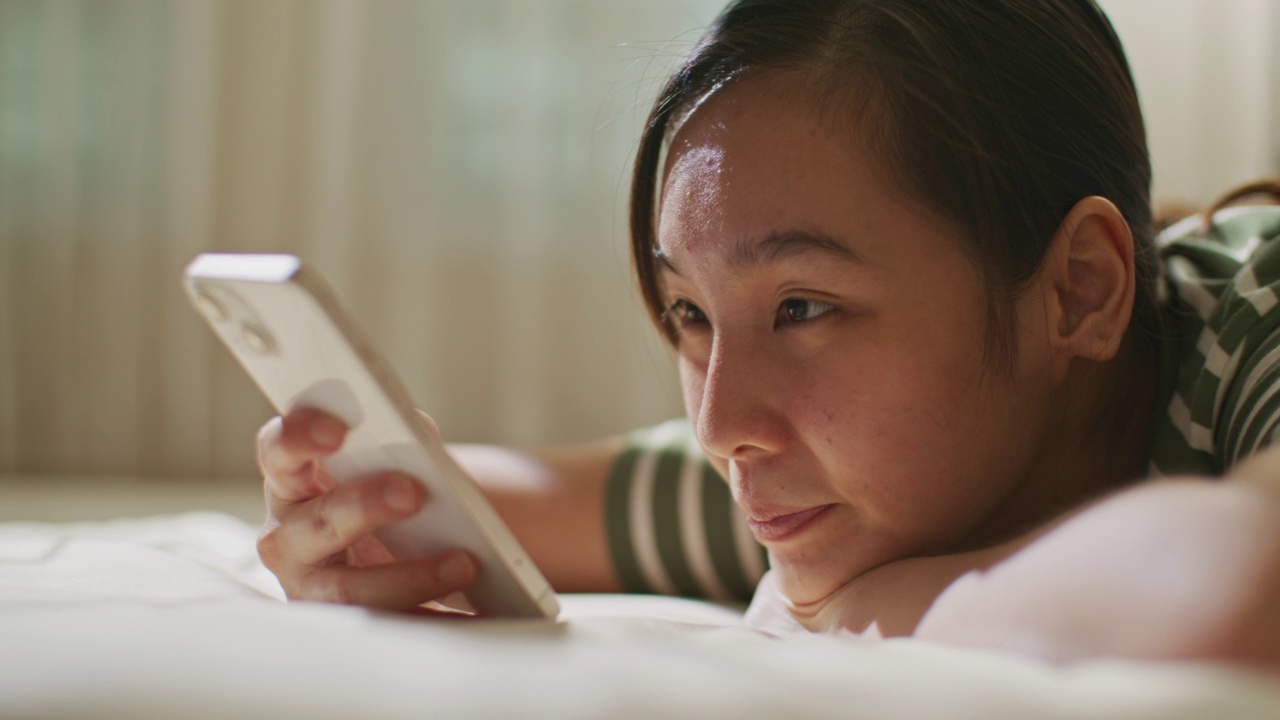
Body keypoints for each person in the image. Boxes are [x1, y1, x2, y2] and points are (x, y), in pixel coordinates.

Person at [254, 0, 1280, 668]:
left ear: (1076, 291)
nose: (719, 427)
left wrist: (869, 608)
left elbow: (1241, 589)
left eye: (802, 309)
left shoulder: (1255, 321)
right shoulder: (864, 469)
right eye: (691, 314)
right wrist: (359, 519)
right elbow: (525, 504)